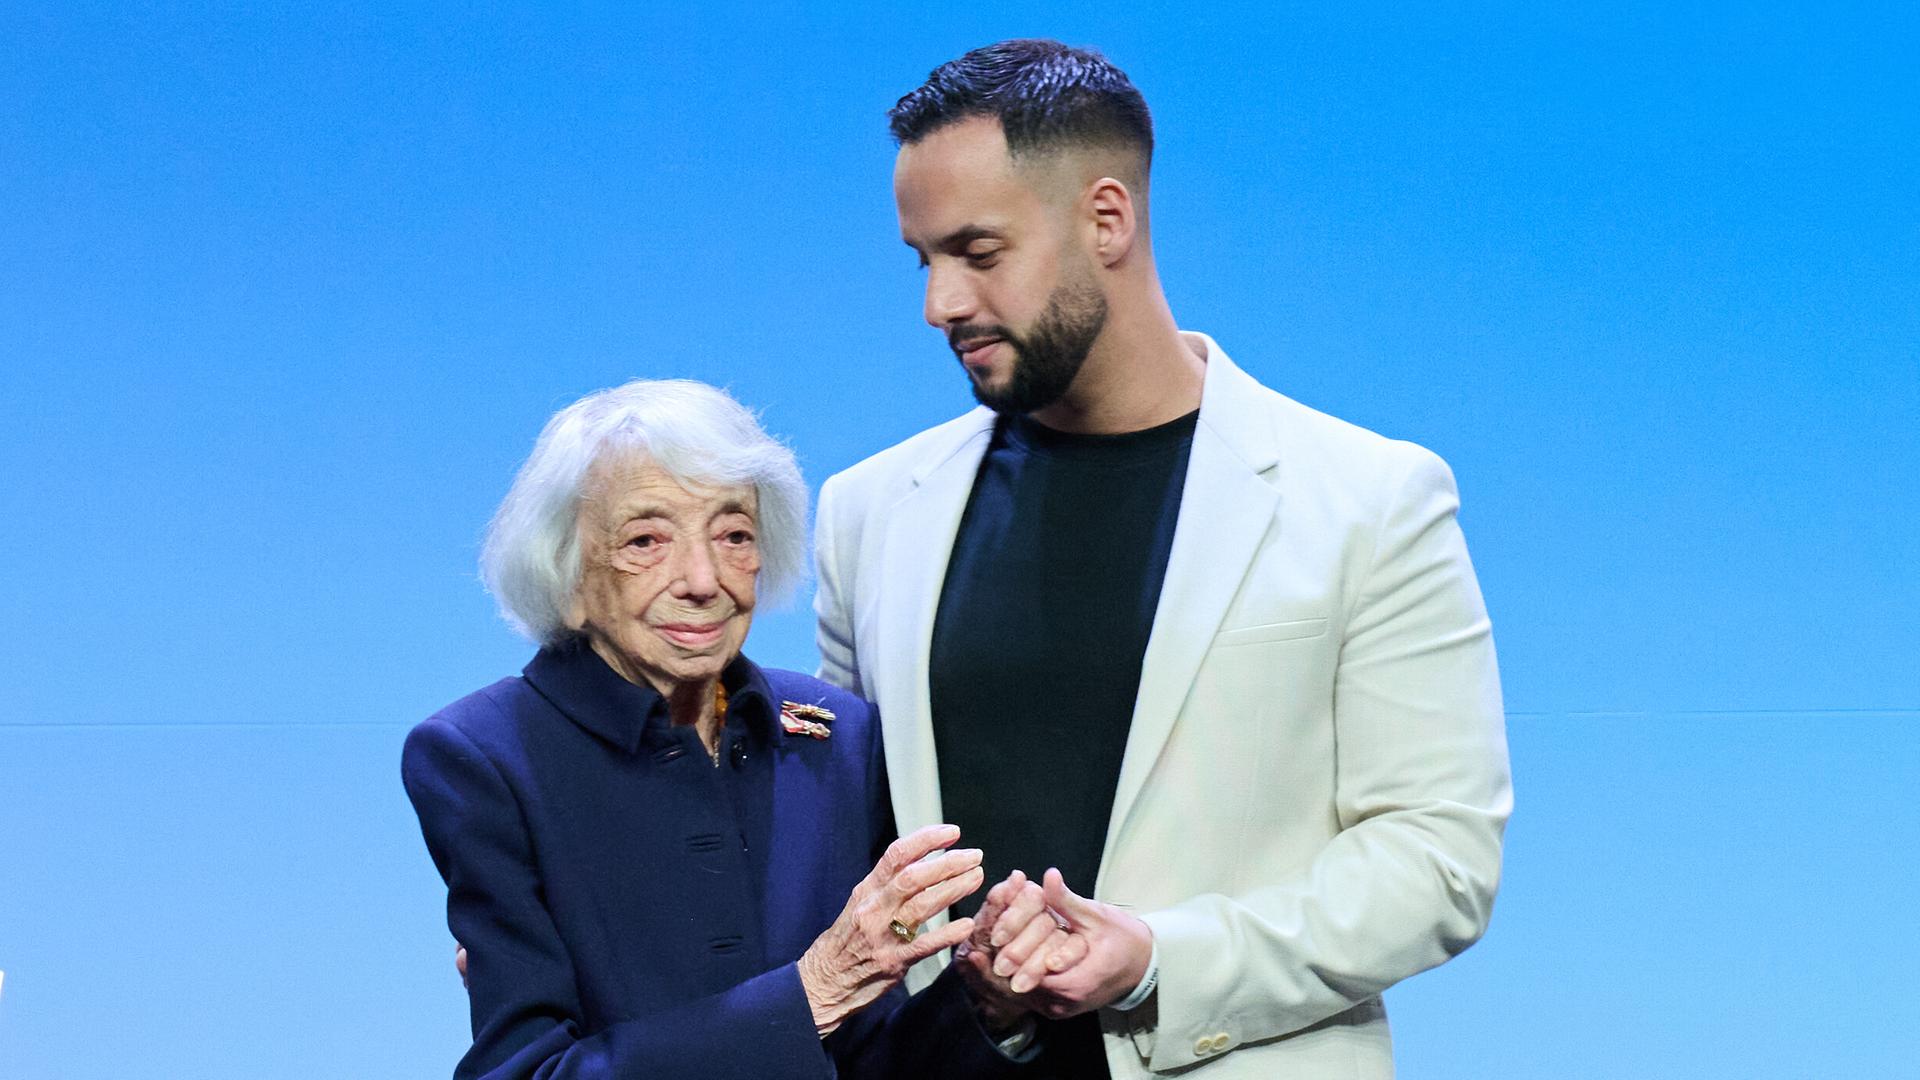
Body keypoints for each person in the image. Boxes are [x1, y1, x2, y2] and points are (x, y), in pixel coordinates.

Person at [812, 40, 1514, 1078]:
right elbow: (840, 852)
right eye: (924, 259)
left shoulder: (1368, 500)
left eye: (978, 251)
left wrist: (1158, 960)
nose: (941, 303)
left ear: (1108, 219)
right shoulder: (868, 515)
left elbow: (1438, 861)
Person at [403, 379, 1052, 1079]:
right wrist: (812, 994)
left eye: (734, 533)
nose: (704, 579)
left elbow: (869, 1060)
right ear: (566, 572)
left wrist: (983, 1002)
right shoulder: (485, 755)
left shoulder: (834, 735)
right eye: (647, 539)